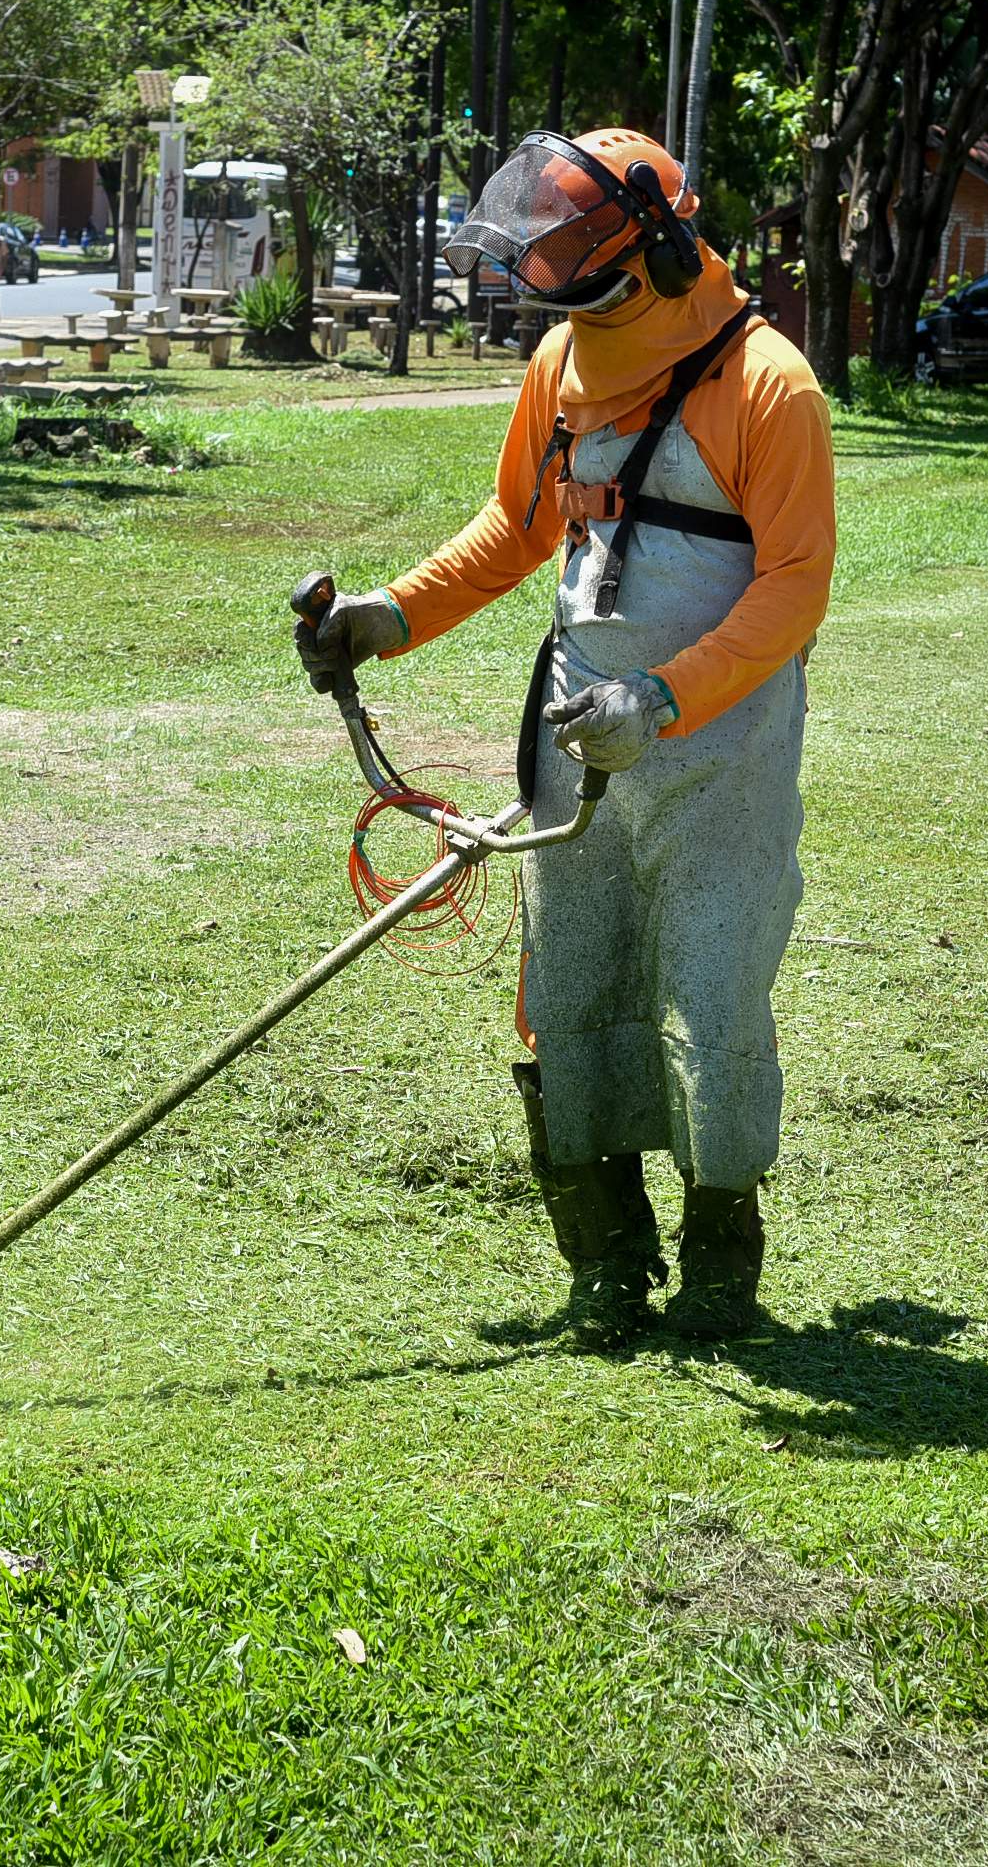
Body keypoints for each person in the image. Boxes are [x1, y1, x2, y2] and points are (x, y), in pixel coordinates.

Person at [296, 127, 836, 1349]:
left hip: (719, 752)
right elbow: (517, 526)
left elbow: (795, 584)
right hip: (575, 738)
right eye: (539, 262)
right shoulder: (560, 361)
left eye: (572, 258)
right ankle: (603, 1259)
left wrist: (664, 698)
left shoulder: (766, 385)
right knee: (572, 991)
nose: (550, 284)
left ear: (650, 244)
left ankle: (717, 1265)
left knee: (711, 989)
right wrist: (391, 615)